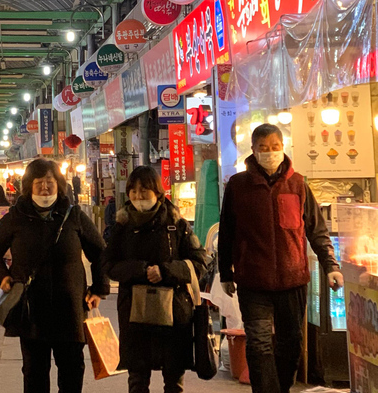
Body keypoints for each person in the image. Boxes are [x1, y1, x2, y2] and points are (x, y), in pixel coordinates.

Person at [219, 124, 343, 393]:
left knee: (291, 344)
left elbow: (316, 231)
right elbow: (227, 232)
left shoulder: (298, 184)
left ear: (283, 148)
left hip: (293, 279)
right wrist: (226, 273)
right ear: (252, 150)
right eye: (263, 148)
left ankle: (281, 389)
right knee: (259, 344)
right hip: (253, 280)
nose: (270, 153)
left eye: (275, 147)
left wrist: (331, 266)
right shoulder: (238, 186)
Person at [0, 159, 109, 393]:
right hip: (31, 308)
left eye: (50, 182)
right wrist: (2, 277)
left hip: (70, 306)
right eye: (39, 183)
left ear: (59, 185)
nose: (45, 188)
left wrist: (99, 288)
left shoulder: (74, 215)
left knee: (71, 369)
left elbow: (100, 251)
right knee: (34, 371)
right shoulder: (17, 216)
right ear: (29, 186)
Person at [102, 166, 206, 393]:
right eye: (134, 191)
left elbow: (199, 262)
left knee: (174, 378)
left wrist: (166, 271)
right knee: (138, 378)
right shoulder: (122, 224)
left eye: (144, 191)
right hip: (134, 311)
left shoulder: (176, 223)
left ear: (158, 192)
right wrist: (141, 270)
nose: (138, 197)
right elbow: (108, 265)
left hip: (174, 312)